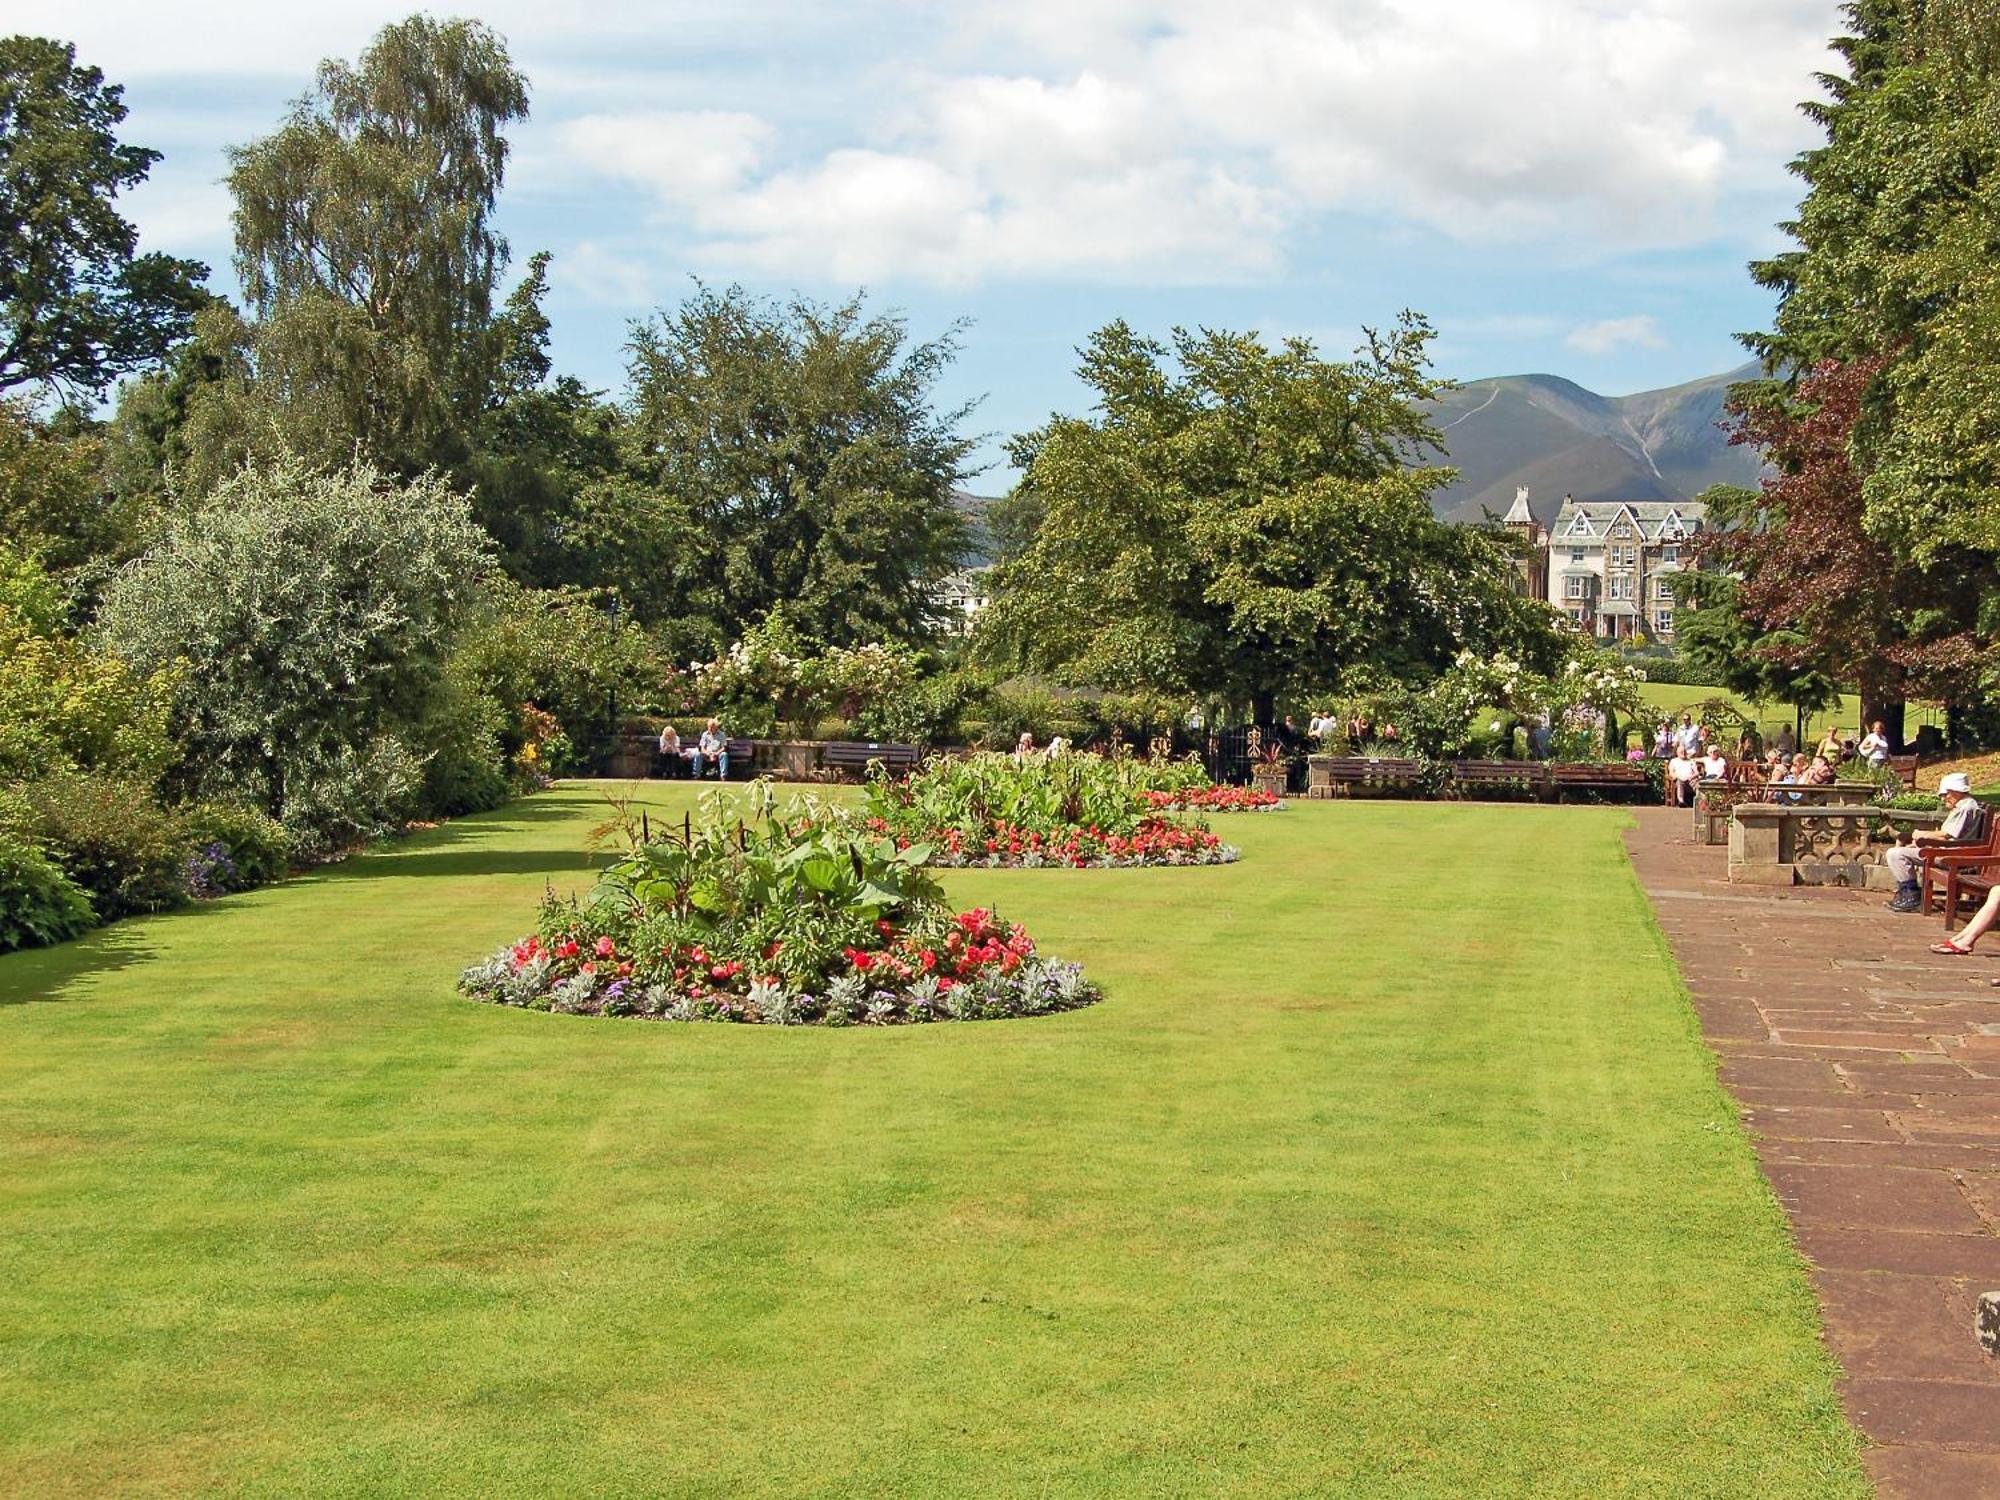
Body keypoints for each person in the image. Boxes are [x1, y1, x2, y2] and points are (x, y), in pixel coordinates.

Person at [1886, 772, 1986, 912]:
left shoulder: (1964, 808)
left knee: (1895, 854)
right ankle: (1906, 892)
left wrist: (1920, 835)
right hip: (1952, 851)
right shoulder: (1967, 805)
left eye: (1946, 794)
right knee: (1904, 849)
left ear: (1956, 792)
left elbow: (1946, 835)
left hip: (1950, 855)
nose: (1944, 798)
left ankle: (1912, 895)